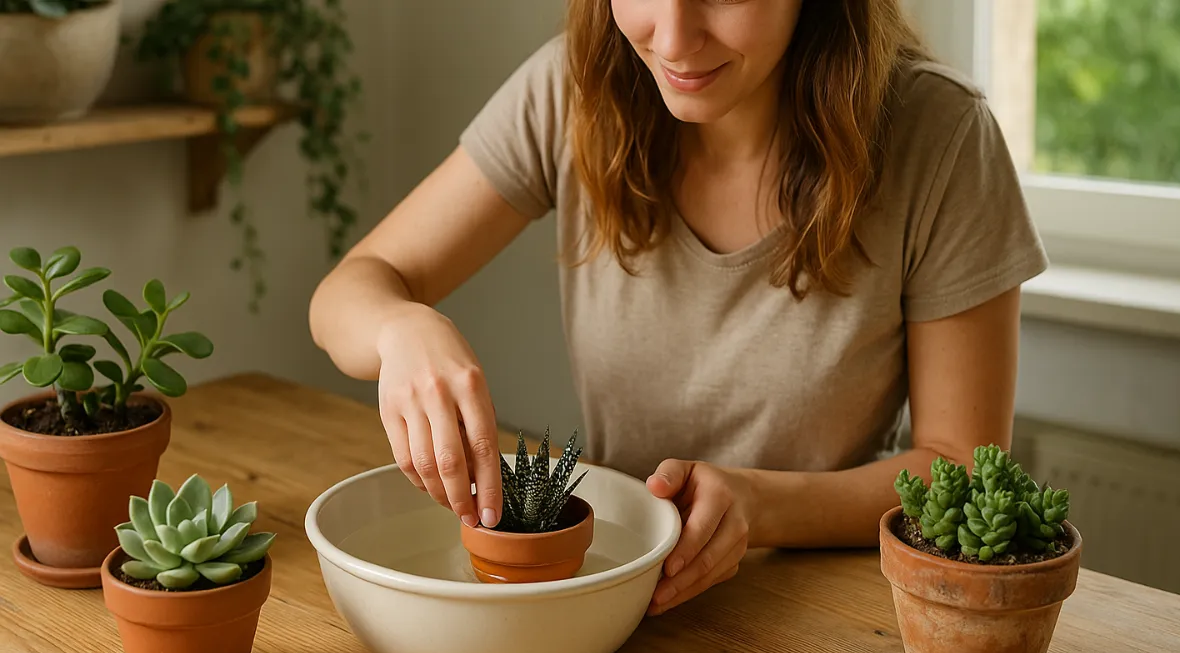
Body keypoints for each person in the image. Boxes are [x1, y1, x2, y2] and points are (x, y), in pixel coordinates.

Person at [308, 0, 1047, 616]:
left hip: (828, 615)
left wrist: (760, 505)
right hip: (612, 605)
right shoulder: (572, 90)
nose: (674, 37)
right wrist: (402, 327)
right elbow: (350, 290)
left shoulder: (940, 137)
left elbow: (965, 470)